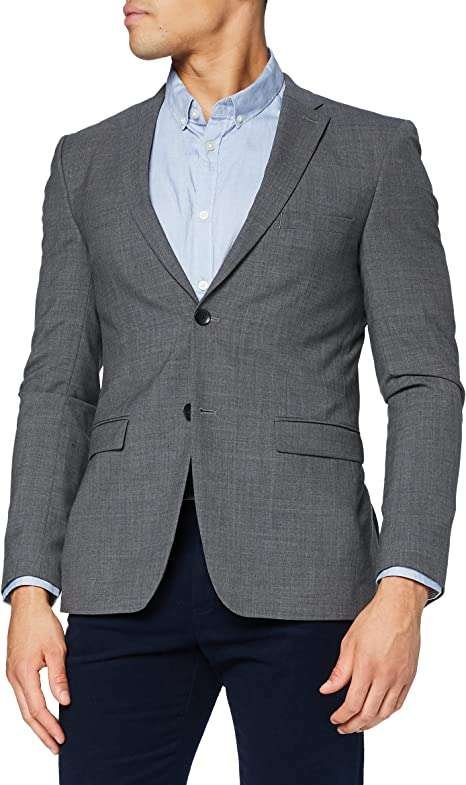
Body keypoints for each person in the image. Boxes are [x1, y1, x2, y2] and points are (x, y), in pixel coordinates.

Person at [2, 2, 463, 783]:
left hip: (306, 571)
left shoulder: (370, 152)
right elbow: (58, 383)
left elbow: (424, 382)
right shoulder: (86, 160)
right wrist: (28, 588)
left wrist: (404, 586)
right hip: (120, 569)